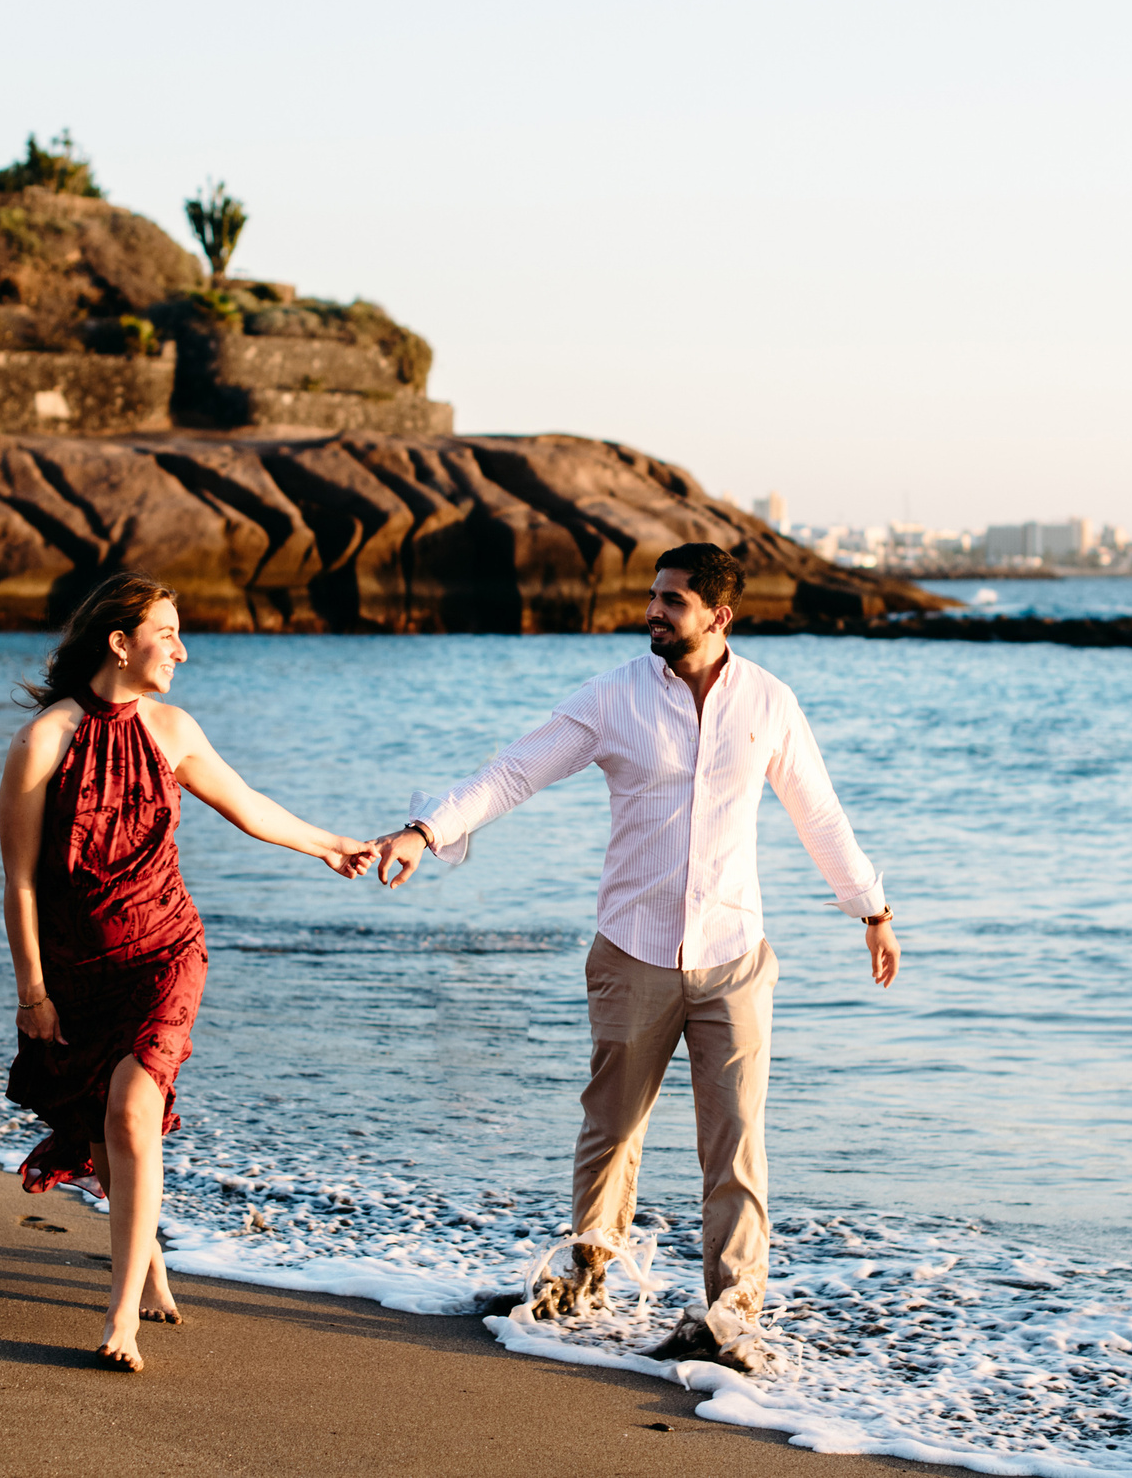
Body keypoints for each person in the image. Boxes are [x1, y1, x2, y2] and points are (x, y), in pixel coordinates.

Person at [370, 543, 897, 1374]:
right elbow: (515, 771)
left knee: (736, 1140)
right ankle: (586, 1279)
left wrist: (870, 906)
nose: (654, 611)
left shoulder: (769, 701)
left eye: (673, 601)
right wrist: (426, 828)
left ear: (719, 616)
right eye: (653, 596)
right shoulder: (614, 695)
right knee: (612, 1127)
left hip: (734, 955)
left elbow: (817, 811)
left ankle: (731, 1315)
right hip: (632, 950)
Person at [0, 571, 377, 1372]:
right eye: (167, 631)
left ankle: (120, 1315)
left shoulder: (172, 728)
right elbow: (22, 879)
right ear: (119, 641)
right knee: (107, 1125)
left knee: (133, 1109)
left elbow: (248, 805)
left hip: (167, 949)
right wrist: (32, 992)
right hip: (77, 968)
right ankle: (151, 1263)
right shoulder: (46, 740)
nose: (182, 647)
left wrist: (330, 844)